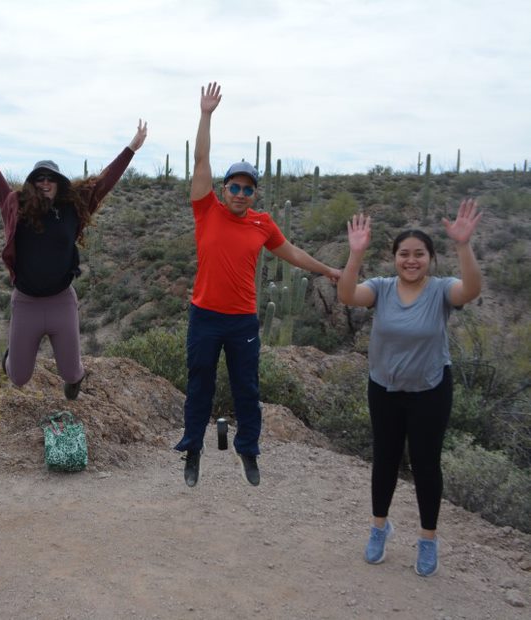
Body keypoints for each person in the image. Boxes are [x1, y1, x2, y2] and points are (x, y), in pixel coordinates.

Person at [176, 82, 341, 488]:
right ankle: (192, 449)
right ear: (224, 187)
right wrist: (206, 115)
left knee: (247, 388)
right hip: (205, 316)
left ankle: (248, 449)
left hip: (242, 321)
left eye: (248, 188)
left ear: (253, 193)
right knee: (200, 384)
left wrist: (328, 271)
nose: (240, 193)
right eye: (235, 185)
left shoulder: (262, 223)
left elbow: (294, 255)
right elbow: (201, 158)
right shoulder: (206, 209)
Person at [0, 99, 147, 398]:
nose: (45, 183)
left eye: (50, 178)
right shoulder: (16, 206)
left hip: (62, 301)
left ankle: (74, 381)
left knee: (72, 372)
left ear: (60, 183)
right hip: (27, 303)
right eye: (39, 179)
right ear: (32, 184)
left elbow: (105, 182)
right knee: (19, 378)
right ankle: (12, 356)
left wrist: (131, 149)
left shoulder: (73, 207)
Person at [337, 199, 482, 577]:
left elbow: (470, 290)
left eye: (419, 254)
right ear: (395, 258)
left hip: (430, 390)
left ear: (431, 258)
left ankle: (428, 539)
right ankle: (378, 529)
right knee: (384, 459)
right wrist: (355, 254)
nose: (411, 260)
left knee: (426, 465)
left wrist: (464, 245)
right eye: (404, 254)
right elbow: (348, 296)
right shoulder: (382, 288)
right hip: (384, 388)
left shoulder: (441, 290)